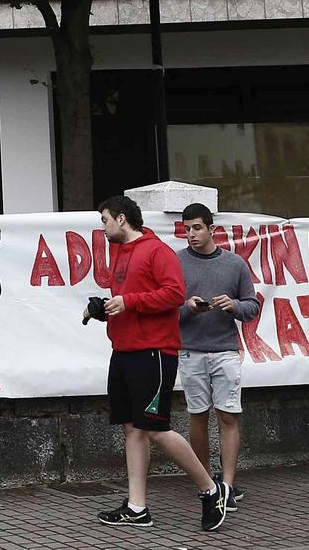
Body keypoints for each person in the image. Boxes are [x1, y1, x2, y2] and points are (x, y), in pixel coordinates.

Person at [83, 194, 228, 533]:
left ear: (121, 218)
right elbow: (131, 303)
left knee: (155, 429)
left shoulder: (156, 251)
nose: (102, 227)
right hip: (123, 351)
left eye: (105, 220)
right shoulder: (120, 253)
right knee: (133, 428)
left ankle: (211, 490)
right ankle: (137, 508)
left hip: (154, 353)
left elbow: (174, 294)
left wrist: (129, 302)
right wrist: (102, 309)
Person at [177, 202, 258, 511]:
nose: (191, 234)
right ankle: (207, 484)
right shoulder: (176, 262)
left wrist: (233, 305)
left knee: (228, 415)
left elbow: (252, 306)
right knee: (197, 416)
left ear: (212, 229)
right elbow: (166, 310)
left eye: (197, 228)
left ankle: (227, 484)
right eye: (187, 229)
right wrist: (188, 308)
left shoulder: (234, 264)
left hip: (225, 349)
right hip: (191, 350)